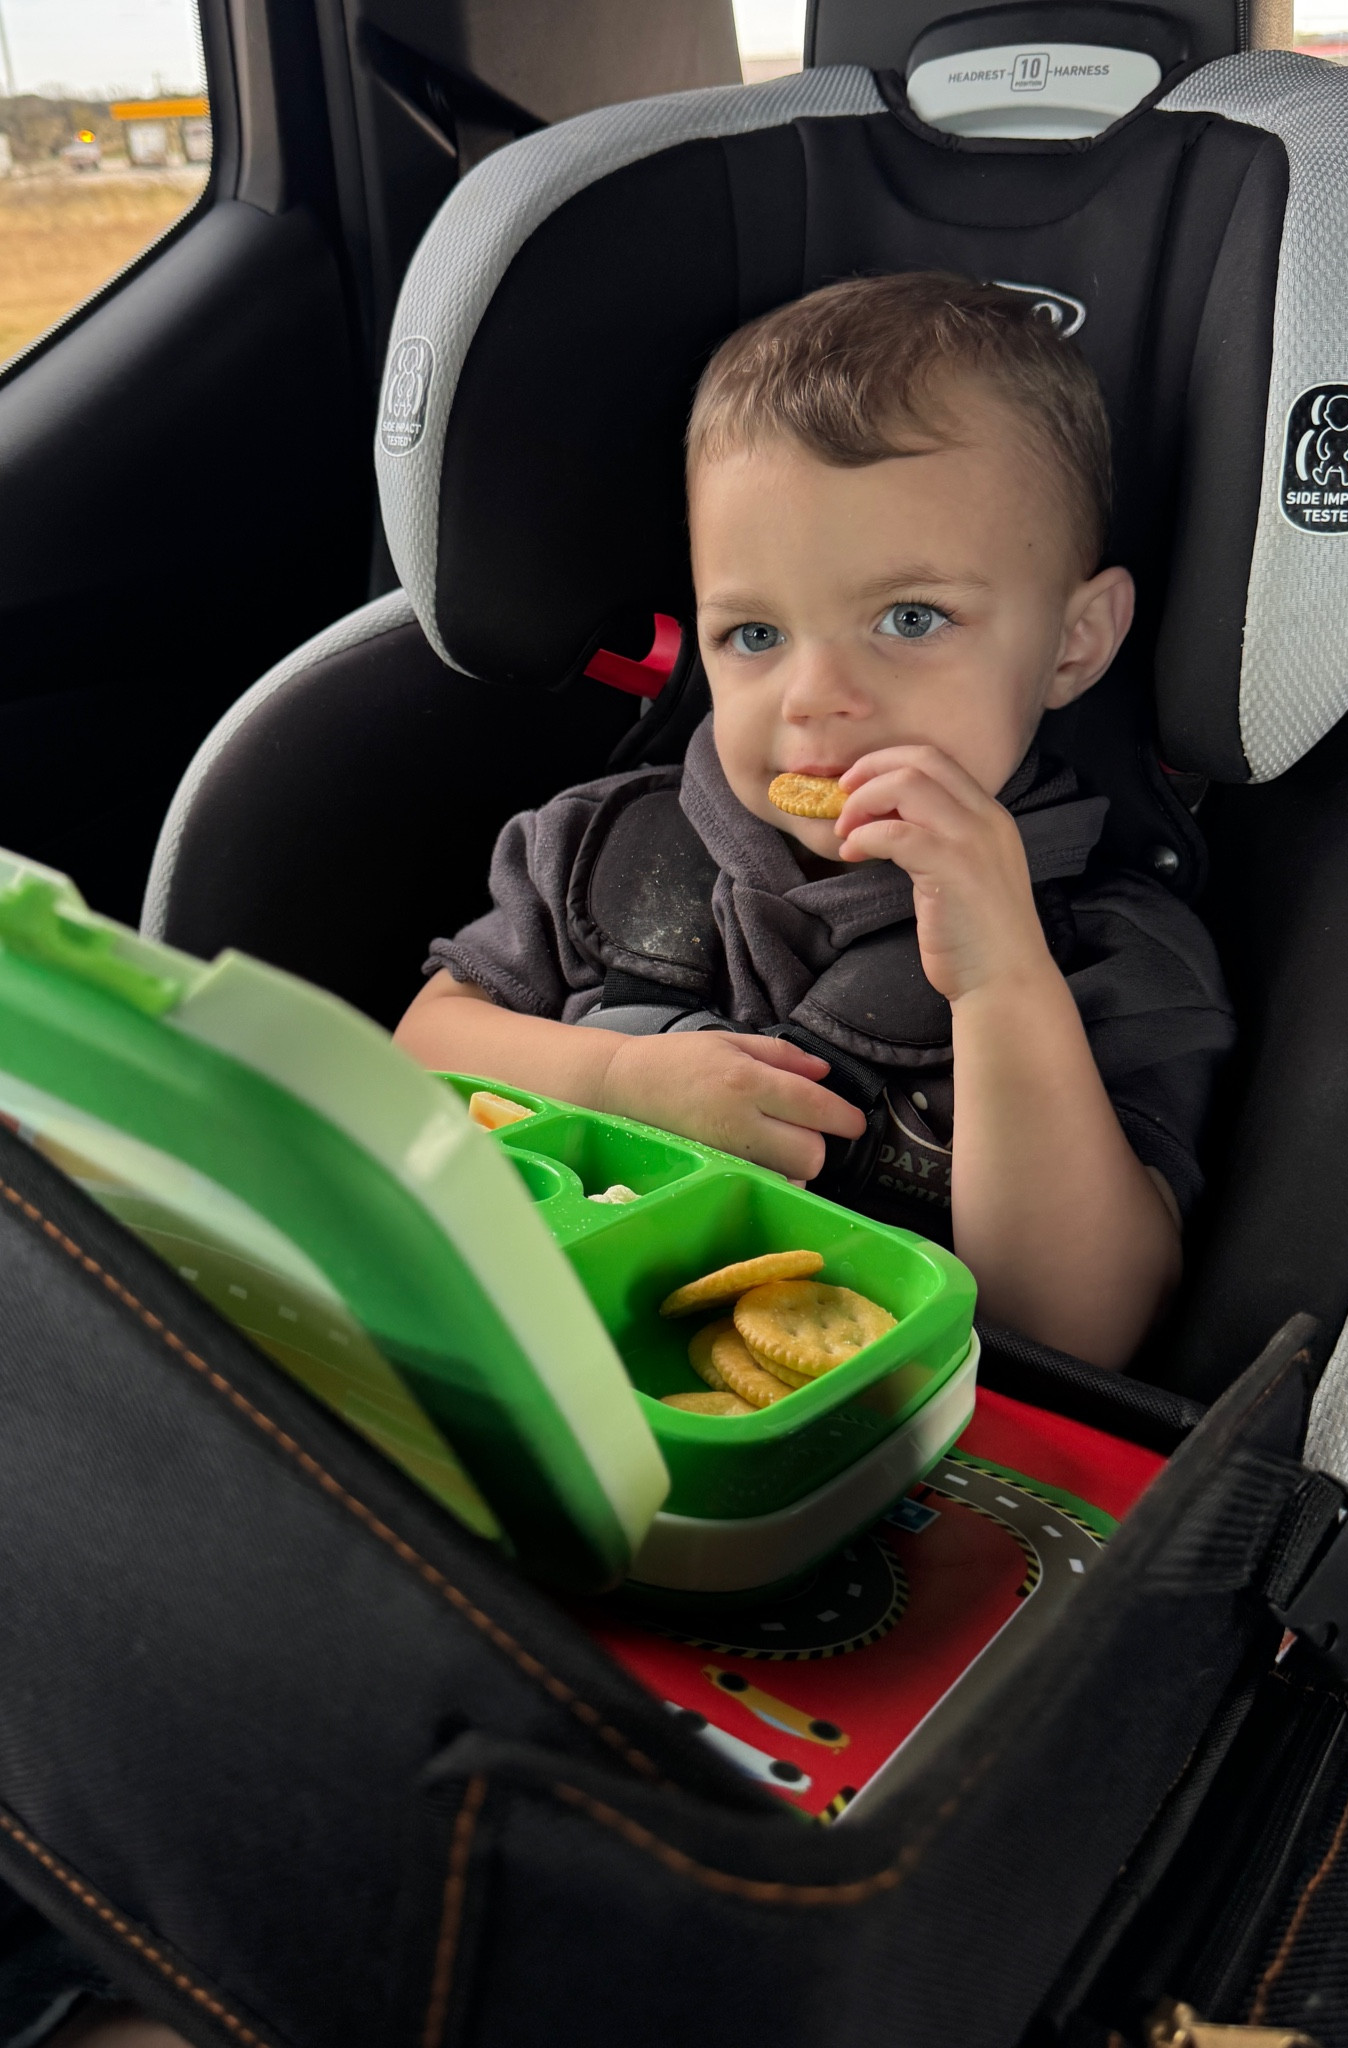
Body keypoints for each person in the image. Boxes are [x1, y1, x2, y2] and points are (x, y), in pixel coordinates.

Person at [397, 273, 1234, 1369]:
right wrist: (618, 1083)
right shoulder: (599, 850)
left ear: (1074, 643)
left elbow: (1078, 1327)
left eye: (910, 617)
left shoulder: (1115, 951)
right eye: (753, 634)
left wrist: (999, 979)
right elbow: (419, 1052)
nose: (812, 696)